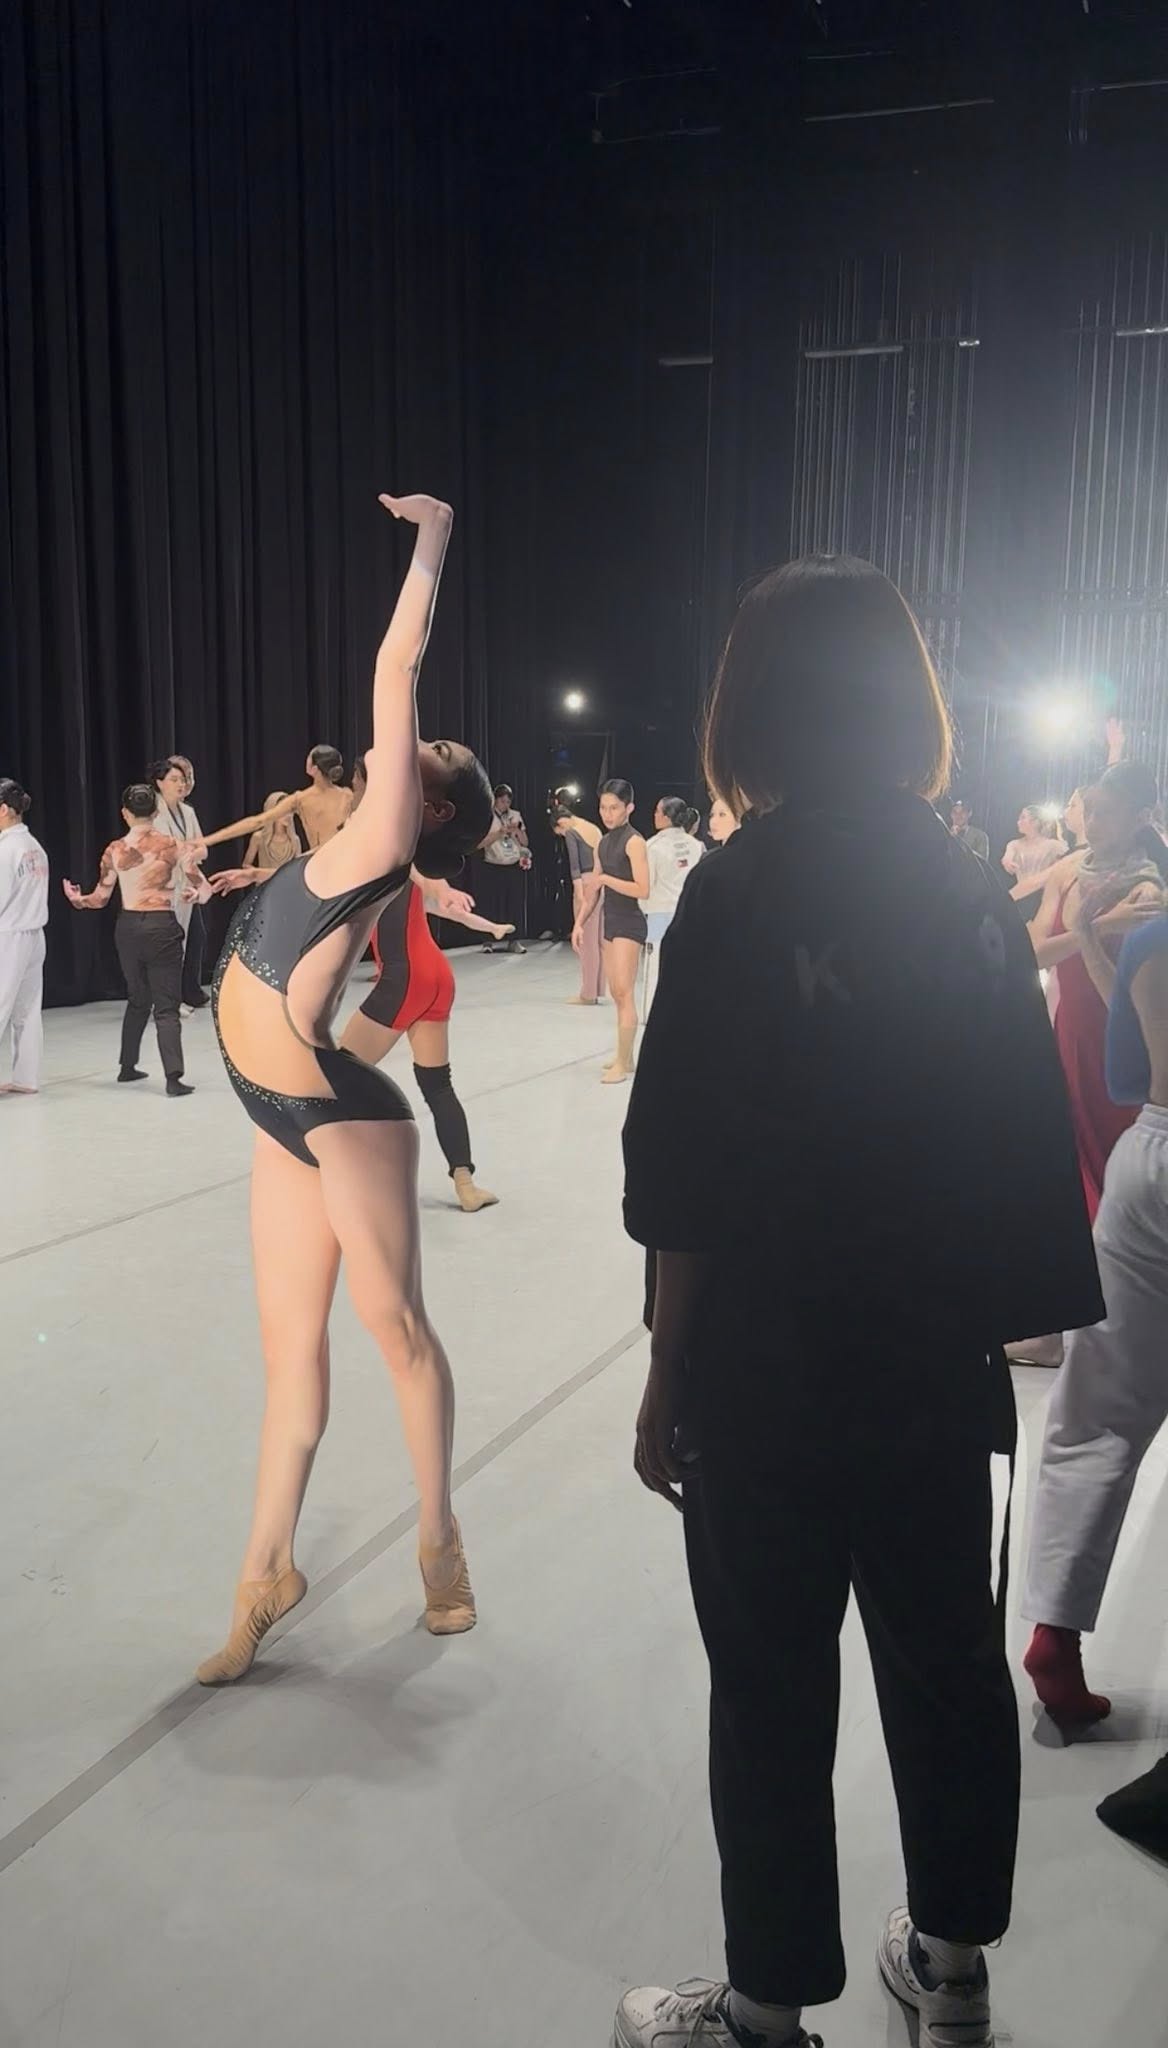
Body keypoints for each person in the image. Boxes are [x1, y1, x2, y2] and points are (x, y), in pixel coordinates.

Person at [616, 555, 1103, 2048]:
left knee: (770, 1681)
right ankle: (951, 1972)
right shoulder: (965, 892)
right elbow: (1018, 1130)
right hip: (927, 1359)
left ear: (752, 701)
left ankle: (766, 2012)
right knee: (945, 1660)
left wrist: (665, 1373)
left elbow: (683, 1166)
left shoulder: (738, 888)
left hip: (766, 1366)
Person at [195, 492, 493, 1686]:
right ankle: (264, 1572)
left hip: (338, 1115)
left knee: (396, 1330)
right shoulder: (346, 843)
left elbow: (395, 660)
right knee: (291, 1362)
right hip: (276, 1114)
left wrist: (432, 536)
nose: (417, 738)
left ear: (430, 803)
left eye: (433, 752)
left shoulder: (382, 834)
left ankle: (440, 1543)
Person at [1022, 901, 1168, 1732]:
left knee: (1095, 1414)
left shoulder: (1150, 936)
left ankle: (1056, 1633)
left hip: (1148, 1162)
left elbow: (1124, 1081)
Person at [1029, 762, 1168, 1220]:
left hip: (1119, 1046)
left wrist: (1092, 931)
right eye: (1089, 810)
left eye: (1106, 813)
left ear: (1140, 818)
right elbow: (1034, 954)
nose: (1091, 822)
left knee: (1116, 1178)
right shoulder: (1066, 871)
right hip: (1067, 1032)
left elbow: (1127, 1005)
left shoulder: (1148, 892)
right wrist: (1099, 927)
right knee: (1066, 1159)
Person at [62, 782, 208, 1096]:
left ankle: (127, 1067)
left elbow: (100, 898)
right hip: (161, 925)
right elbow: (203, 888)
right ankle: (173, 1078)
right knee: (166, 1006)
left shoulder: (114, 850)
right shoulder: (174, 845)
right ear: (155, 812)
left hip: (128, 928)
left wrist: (78, 900)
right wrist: (195, 895)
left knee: (138, 998)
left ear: (125, 813)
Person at [572, 778, 648, 1084]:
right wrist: (579, 923)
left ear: (629, 808)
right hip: (611, 920)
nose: (607, 813)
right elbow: (593, 891)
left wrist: (605, 881)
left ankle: (623, 1061)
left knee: (623, 992)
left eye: (614, 807)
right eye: (603, 807)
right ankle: (624, 1058)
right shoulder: (603, 843)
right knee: (617, 992)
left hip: (630, 921)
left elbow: (642, 888)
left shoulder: (635, 841)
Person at [0, 779, 50, 1096]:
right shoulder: (33, 846)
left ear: (4, 810)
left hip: (8, 935)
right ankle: (26, 1077)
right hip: (33, 934)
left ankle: (25, 1078)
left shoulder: (6, 849)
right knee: (27, 1009)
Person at [151, 755, 209, 1011]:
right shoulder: (153, 812)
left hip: (186, 884)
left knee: (181, 943)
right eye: (174, 779)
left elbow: (202, 848)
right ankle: (161, 1001)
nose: (180, 784)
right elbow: (163, 850)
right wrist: (187, 851)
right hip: (163, 885)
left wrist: (190, 852)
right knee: (164, 945)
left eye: (182, 780)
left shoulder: (188, 812)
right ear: (160, 783)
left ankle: (173, 999)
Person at [552, 802, 604, 1004]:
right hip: (601, 882)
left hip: (585, 882)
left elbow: (575, 866)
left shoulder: (572, 832)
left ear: (560, 823)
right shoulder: (593, 828)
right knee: (598, 941)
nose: (562, 835)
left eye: (559, 832)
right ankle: (597, 989)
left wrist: (580, 895)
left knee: (586, 941)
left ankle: (588, 994)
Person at [476, 783, 528, 952]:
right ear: (495, 800)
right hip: (492, 864)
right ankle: (487, 942)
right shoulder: (488, 816)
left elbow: (525, 842)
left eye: (508, 802)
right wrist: (499, 833)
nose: (505, 805)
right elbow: (479, 843)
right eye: (502, 801)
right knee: (490, 904)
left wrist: (516, 831)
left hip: (512, 864)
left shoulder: (515, 815)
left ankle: (514, 941)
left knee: (514, 904)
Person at [1001, 805, 1066, 903]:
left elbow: (1066, 863)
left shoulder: (1053, 845)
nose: (1018, 822)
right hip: (1021, 893)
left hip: (1044, 896)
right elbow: (1007, 858)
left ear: (1035, 822)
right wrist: (1007, 862)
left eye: (1023, 818)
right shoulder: (1014, 844)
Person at [241, 792, 300, 874]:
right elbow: (246, 865)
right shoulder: (258, 838)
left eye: (290, 810)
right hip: (265, 882)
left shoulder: (294, 840)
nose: (289, 815)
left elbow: (299, 869)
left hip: (287, 882)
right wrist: (259, 874)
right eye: (284, 811)